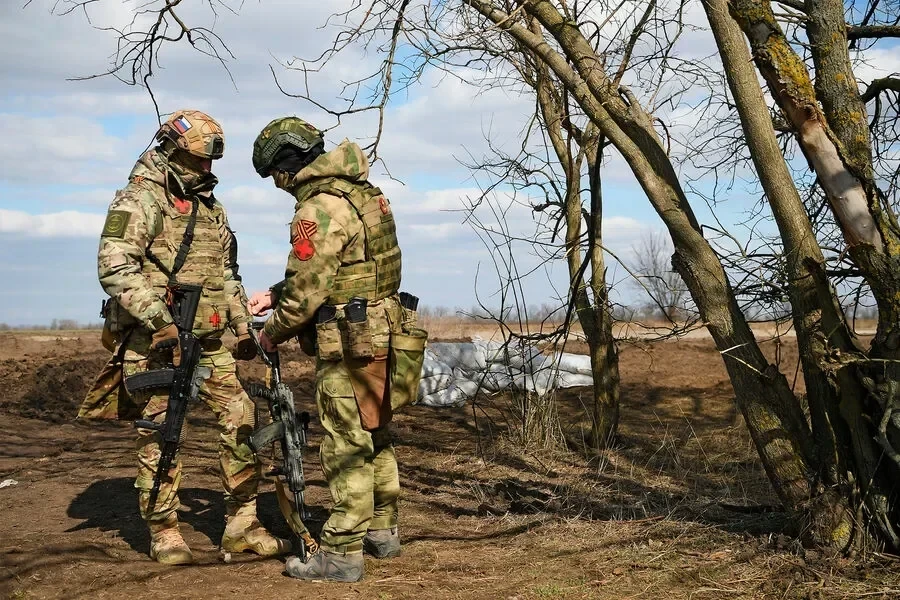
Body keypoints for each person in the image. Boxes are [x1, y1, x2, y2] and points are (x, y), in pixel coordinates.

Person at [80, 110, 291, 565]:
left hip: (210, 342)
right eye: (200, 159)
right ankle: (164, 530)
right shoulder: (141, 199)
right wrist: (162, 322)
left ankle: (242, 525)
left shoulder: (211, 208)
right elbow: (114, 266)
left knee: (241, 417)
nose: (208, 168)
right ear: (173, 152)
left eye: (211, 160)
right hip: (158, 341)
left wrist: (242, 328)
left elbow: (227, 275)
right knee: (163, 430)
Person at [248, 117, 406, 582]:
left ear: (284, 167)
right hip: (384, 330)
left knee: (346, 443)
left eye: (274, 176)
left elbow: (308, 291)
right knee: (375, 431)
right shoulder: (364, 193)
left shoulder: (318, 208)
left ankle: (340, 552)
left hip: (348, 342)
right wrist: (276, 294)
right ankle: (382, 530)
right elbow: (352, 268)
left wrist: (271, 332)